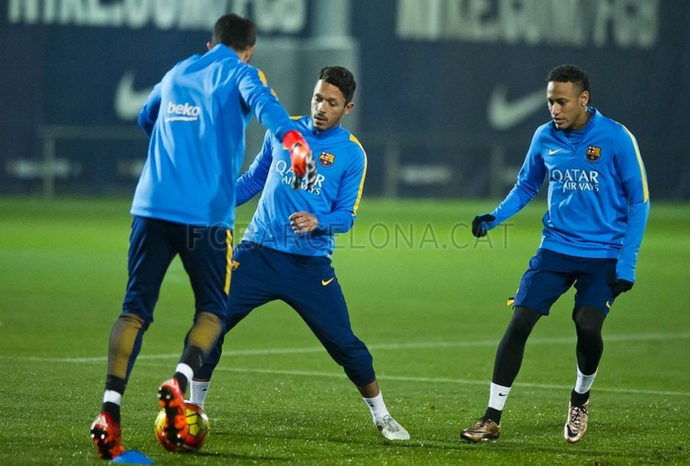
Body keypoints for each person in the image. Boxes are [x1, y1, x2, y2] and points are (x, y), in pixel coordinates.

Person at [89, 13, 316, 460]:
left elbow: (145, 117)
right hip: (207, 215)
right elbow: (268, 108)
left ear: (210, 43)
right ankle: (178, 381)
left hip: (151, 206)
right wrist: (294, 142)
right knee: (213, 309)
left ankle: (109, 413)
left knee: (134, 311)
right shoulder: (243, 73)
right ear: (247, 50)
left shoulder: (176, 71)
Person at [188, 66, 410, 441]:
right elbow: (255, 179)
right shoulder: (285, 129)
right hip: (256, 253)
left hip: (308, 265)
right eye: (318, 98)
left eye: (332, 103)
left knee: (345, 344)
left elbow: (345, 218)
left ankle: (382, 415)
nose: (322, 107)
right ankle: (193, 409)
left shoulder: (352, 154)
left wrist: (317, 221)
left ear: (348, 107)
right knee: (211, 322)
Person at [461, 64, 649, 444]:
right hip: (555, 250)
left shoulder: (615, 137)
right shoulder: (544, 137)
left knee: (587, 325)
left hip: (602, 256)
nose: (554, 109)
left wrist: (627, 262)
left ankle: (580, 398)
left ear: (584, 99)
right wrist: (494, 217)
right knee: (520, 322)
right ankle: (491, 418)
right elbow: (526, 185)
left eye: (561, 102)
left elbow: (639, 201)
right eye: (550, 102)